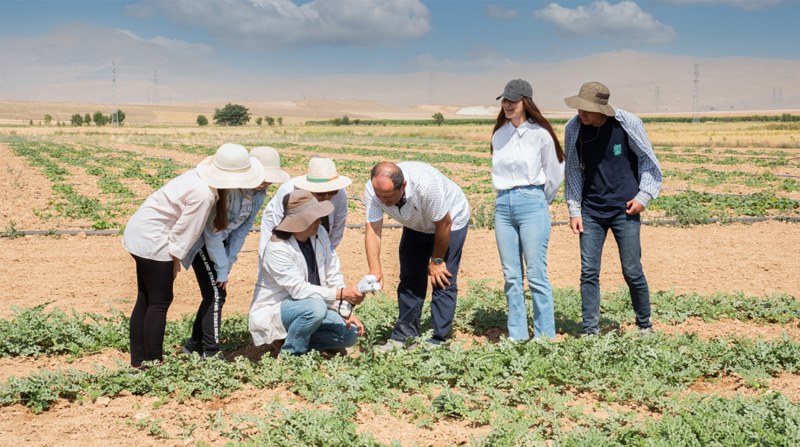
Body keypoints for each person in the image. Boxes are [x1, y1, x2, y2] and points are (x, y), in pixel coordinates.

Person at [122, 143, 265, 368]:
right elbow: (184, 232)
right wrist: (175, 262)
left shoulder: (200, 180)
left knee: (146, 299)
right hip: (155, 239)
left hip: (141, 232)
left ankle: (139, 362)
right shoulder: (204, 195)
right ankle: (152, 363)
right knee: (159, 302)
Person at [563, 81, 662, 336]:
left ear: (602, 110)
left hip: (625, 209)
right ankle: (590, 330)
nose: (581, 114)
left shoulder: (627, 123)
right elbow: (573, 169)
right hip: (591, 211)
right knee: (589, 272)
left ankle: (644, 325)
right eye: (579, 108)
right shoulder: (573, 128)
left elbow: (648, 160)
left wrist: (644, 196)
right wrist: (574, 209)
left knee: (632, 270)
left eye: (587, 110)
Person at [180, 146, 290, 359]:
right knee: (216, 294)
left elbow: (241, 231)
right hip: (201, 243)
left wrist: (228, 263)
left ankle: (194, 344)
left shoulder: (258, 195)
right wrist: (221, 268)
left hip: (221, 247)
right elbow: (211, 234)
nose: (266, 183)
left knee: (214, 293)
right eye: (264, 178)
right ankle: (211, 352)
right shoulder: (230, 191)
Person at [365, 162, 470, 349]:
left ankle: (438, 340)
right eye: (379, 196)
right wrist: (375, 268)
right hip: (417, 223)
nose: (382, 200)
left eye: (388, 196)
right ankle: (403, 336)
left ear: (403, 185)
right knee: (410, 278)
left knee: (442, 278)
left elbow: (443, 224)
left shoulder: (426, 186)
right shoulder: (374, 191)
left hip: (450, 221)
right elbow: (373, 230)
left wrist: (437, 260)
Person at [249, 190, 365, 356]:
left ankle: (292, 340)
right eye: (314, 217)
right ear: (299, 222)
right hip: (283, 309)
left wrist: (345, 311)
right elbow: (299, 291)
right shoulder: (277, 249)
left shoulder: (320, 234)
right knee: (315, 308)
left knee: (349, 334)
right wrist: (342, 294)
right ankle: (291, 354)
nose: (319, 220)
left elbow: (332, 272)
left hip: (312, 306)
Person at [491, 79, 565, 340]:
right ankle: (517, 336)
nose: (508, 105)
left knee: (536, 274)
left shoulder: (540, 135)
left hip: (532, 203)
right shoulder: (498, 134)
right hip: (502, 205)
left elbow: (555, 175)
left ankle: (545, 337)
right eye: (505, 100)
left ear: (526, 103)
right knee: (511, 276)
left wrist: (538, 201)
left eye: (513, 100)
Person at [259, 157, 351, 257]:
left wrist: (325, 254)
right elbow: (281, 227)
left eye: (332, 192)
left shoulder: (340, 194)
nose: (327, 197)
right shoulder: (289, 192)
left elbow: (337, 228)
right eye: (321, 193)